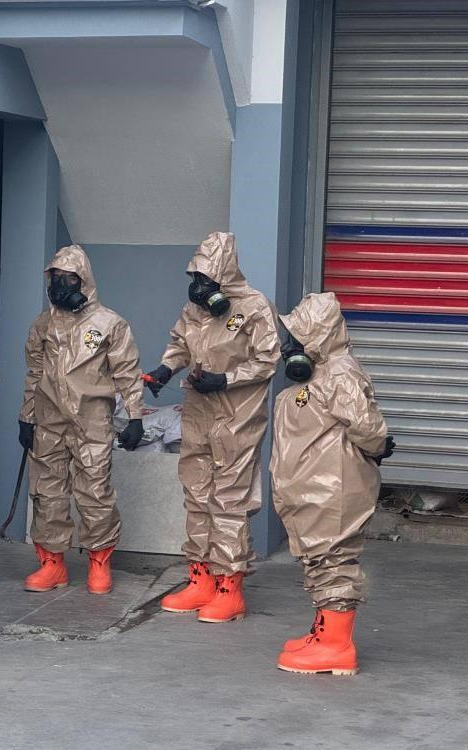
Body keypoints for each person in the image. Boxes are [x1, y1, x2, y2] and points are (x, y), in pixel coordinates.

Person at [146, 231, 278, 623]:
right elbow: (180, 345)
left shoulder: (253, 307)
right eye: (194, 277)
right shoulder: (195, 310)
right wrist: (165, 368)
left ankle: (229, 587)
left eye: (205, 278)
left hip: (237, 417)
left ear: (223, 276)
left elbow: (268, 360)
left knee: (230, 501)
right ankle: (200, 578)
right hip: (199, 413)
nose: (198, 286)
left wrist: (226, 379)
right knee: (196, 494)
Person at [271, 292, 393, 675]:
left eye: (296, 336)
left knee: (333, 559)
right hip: (313, 486)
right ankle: (324, 632)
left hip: (333, 486)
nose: (288, 345)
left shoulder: (339, 372)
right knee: (319, 558)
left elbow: (368, 428)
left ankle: (337, 646)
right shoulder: (320, 372)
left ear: (318, 334)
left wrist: (378, 447)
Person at [18, 244, 145, 595]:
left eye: (68, 278)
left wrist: (135, 416)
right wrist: (26, 417)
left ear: (84, 280)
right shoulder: (43, 325)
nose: (60, 284)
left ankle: (99, 561)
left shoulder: (109, 324)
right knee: (47, 491)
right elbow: (34, 373)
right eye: (55, 277)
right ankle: (52, 564)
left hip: (92, 420)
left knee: (95, 491)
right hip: (49, 419)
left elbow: (127, 373)